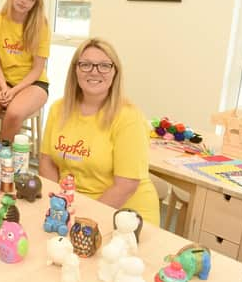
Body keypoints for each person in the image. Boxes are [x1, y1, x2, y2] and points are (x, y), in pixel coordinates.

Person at [39, 38, 160, 225]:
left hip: (124, 216)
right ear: (75, 70)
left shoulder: (129, 117)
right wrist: (58, 205)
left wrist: (83, 221)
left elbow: (126, 185)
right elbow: (47, 161)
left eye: (104, 65)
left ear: (115, 72)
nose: (94, 72)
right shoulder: (58, 109)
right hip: (72, 207)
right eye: (85, 64)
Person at [0, 0, 51, 145]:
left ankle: (5, 162)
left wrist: (14, 91)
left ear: (35, 4)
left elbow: (37, 69)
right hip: (4, 81)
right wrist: (4, 87)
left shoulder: (41, 25)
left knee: (14, 112)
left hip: (34, 83)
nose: (24, 1)